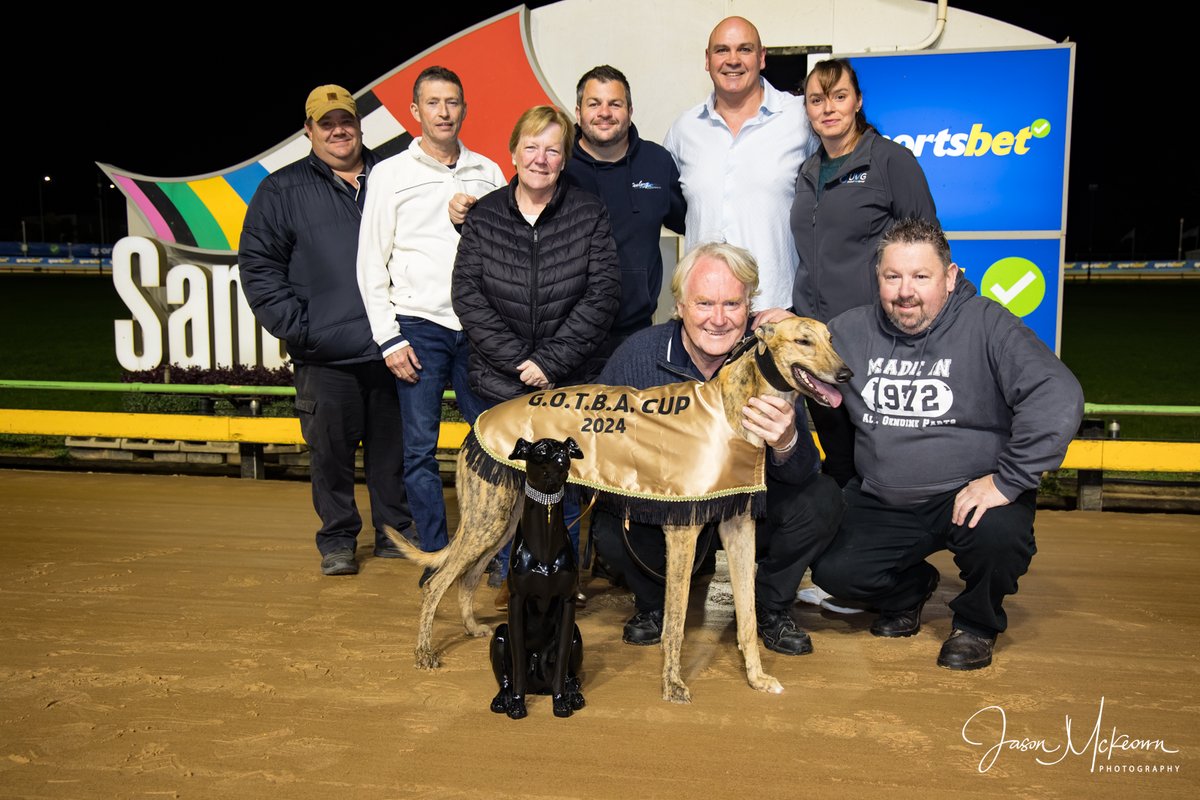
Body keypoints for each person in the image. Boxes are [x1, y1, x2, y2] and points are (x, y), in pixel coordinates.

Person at [813, 218, 1084, 670]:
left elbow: (1058, 393)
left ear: (950, 276)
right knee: (832, 571)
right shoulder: (849, 331)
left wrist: (1008, 479)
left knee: (1000, 539)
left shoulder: (988, 324)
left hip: (968, 491)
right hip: (884, 496)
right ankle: (909, 590)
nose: (905, 291)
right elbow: (794, 358)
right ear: (876, 277)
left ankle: (976, 625)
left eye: (921, 276)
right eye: (892, 276)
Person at [590, 242, 844, 655]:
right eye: (704, 303)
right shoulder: (638, 355)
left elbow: (801, 473)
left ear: (750, 309)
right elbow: (598, 439)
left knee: (820, 501)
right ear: (680, 305)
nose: (719, 318)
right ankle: (654, 603)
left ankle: (770, 607)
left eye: (732, 303)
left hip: (748, 507)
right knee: (610, 525)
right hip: (667, 506)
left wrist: (785, 443)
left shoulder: (771, 354)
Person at [239, 84, 413, 576]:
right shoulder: (281, 189)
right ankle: (338, 539)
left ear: (359, 125)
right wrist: (302, 328)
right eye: (327, 123)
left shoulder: (393, 176)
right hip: (325, 355)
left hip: (391, 347)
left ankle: (393, 533)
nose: (339, 130)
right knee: (330, 457)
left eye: (346, 121)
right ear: (309, 131)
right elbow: (258, 265)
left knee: (392, 454)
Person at [451, 105, 621, 591]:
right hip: (497, 383)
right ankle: (509, 577)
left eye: (552, 150)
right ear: (513, 153)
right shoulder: (484, 216)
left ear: (564, 159)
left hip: (564, 382)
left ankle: (561, 578)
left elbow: (603, 292)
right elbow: (467, 294)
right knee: (503, 489)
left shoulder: (587, 212)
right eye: (531, 147)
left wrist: (550, 361)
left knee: (560, 486)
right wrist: (517, 362)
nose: (541, 159)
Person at [356, 66, 504, 576]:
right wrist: (389, 338)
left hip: (479, 330)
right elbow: (370, 262)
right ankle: (439, 557)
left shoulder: (488, 172)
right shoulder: (390, 174)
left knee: (493, 443)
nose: (444, 112)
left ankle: (499, 556)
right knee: (419, 450)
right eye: (433, 103)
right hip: (418, 327)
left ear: (464, 109)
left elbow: (505, 251)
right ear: (415, 111)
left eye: (453, 102)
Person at [787, 57, 938, 487]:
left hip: (876, 340)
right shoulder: (808, 171)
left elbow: (927, 246)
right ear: (808, 109)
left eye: (839, 96)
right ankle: (841, 549)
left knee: (878, 459)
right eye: (817, 99)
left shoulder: (891, 161)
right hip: (819, 341)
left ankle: (885, 548)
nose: (828, 108)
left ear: (857, 102)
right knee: (837, 457)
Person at [663, 16, 815, 309]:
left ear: (762, 57)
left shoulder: (799, 118)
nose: (732, 60)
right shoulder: (684, 129)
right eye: (722, 50)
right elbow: (672, 207)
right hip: (704, 315)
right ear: (707, 60)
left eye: (744, 50)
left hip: (775, 310)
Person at [564, 65, 686, 355]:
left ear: (630, 110)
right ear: (578, 111)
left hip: (636, 331)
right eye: (594, 104)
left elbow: (693, 220)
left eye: (615, 104)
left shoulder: (656, 162)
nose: (604, 112)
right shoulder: (558, 164)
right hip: (566, 334)